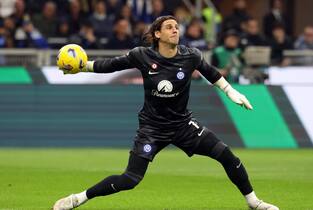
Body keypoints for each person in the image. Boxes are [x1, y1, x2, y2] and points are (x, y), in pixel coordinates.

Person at [52, 15, 279, 210]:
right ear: (157, 34)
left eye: (177, 27)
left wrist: (231, 92)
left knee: (227, 156)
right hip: (152, 129)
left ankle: (254, 202)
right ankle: (77, 199)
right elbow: (110, 65)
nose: (175, 30)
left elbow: (212, 74)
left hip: (183, 126)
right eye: (169, 27)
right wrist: (82, 67)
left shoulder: (191, 56)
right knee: (130, 179)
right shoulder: (142, 55)